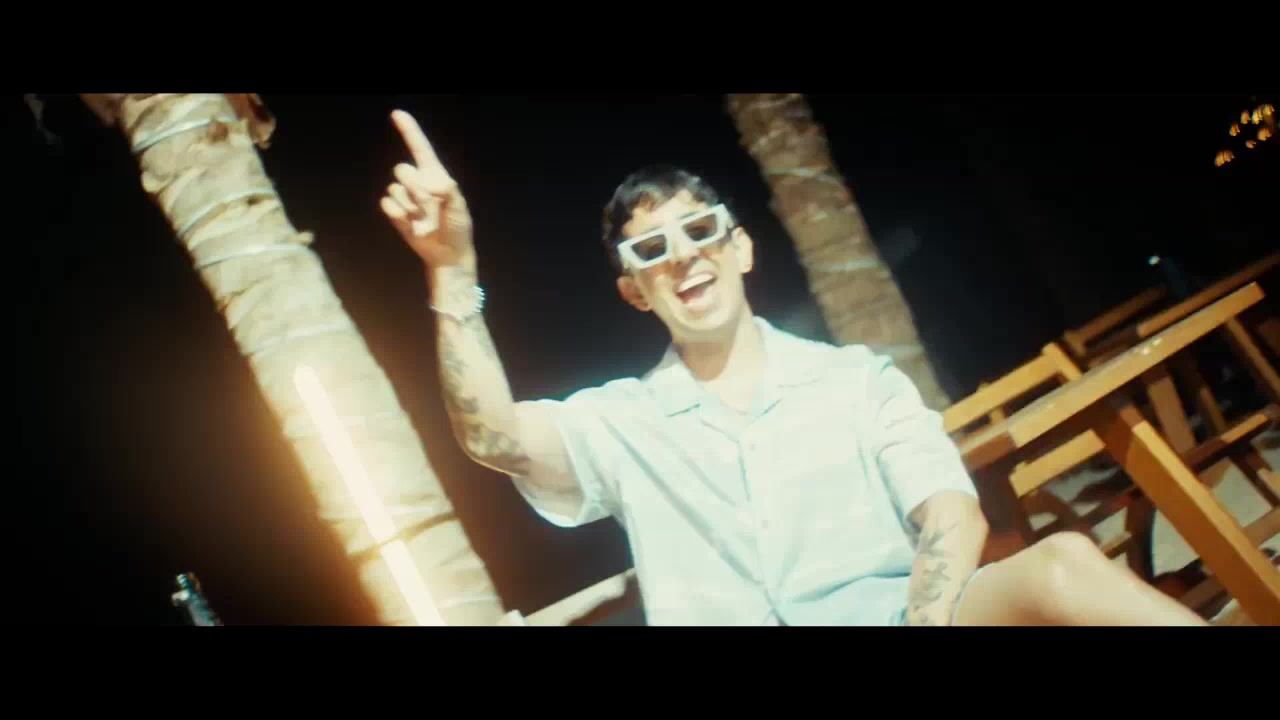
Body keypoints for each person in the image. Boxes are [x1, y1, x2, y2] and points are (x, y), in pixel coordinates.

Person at [378, 109, 1208, 626]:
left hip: (899, 621)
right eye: (651, 250)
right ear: (634, 291)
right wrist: (451, 271)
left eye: (700, 231)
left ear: (739, 248)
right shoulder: (617, 423)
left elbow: (950, 512)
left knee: (1063, 565)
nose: (683, 257)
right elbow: (493, 439)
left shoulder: (855, 381)